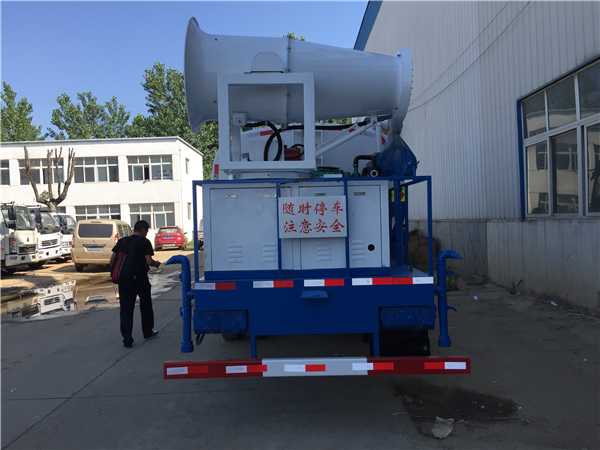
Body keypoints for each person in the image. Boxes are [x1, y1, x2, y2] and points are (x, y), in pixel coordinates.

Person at [110, 220, 161, 348]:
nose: (146, 233)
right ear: (143, 230)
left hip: (124, 281)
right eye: (146, 231)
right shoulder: (144, 242)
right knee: (145, 305)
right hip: (140, 279)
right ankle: (147, 332)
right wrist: (156, 264)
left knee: (126, 310)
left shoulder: (123, 241)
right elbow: (149, 261)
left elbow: (112, 260)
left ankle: (127, 339)